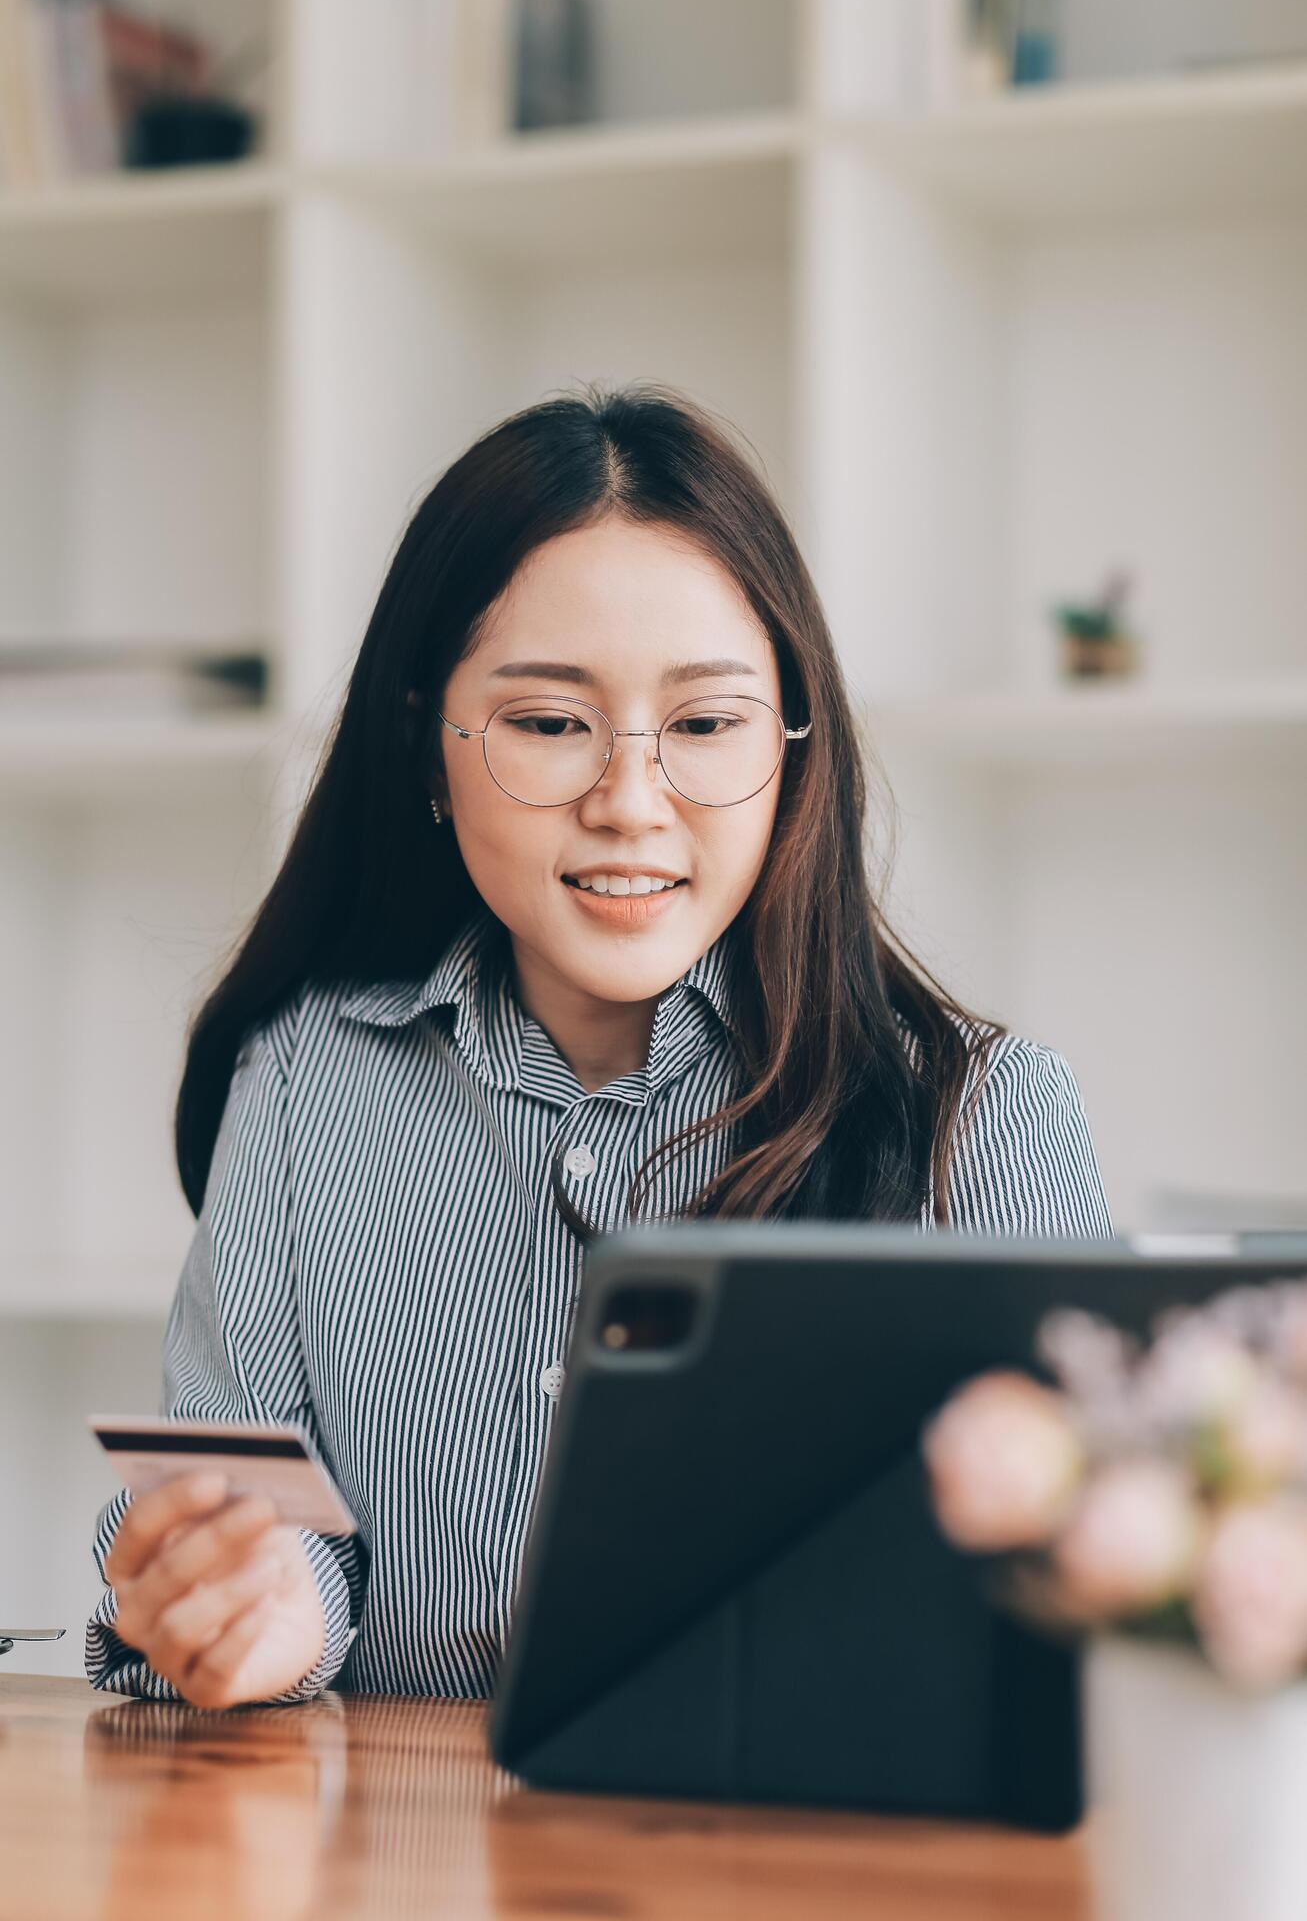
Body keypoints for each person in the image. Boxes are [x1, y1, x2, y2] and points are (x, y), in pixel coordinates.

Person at [86, 383, 1112, 1712]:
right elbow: (246, 1504)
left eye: (703, 725)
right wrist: (261, 1603)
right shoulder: (300, 1085)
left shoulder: (982, 1118)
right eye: (551, 724)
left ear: (794, 751)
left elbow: (1089, 1605)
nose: (632, 803)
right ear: (429, 751)